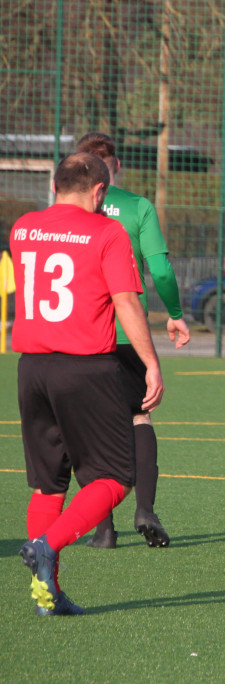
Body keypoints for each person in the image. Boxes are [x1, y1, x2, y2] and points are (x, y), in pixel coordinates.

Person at [11, 152, 164, 615]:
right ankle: (47, 546)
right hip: (85, 369)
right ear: (100, 191)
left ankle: (49, 594)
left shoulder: (23, 227)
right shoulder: (107, 231)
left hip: (32, 367)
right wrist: (150, 362)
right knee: (117, 477)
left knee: (47, 485)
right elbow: (126, 303)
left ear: (54, 186)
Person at [73, 132, 190, 549]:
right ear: (114, 166)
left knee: (89, 431)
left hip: (81, 334)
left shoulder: (65, 213)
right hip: (128, 333)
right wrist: (175, 314)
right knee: (140, 417)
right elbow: (159, 270)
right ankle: (146, 509)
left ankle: (103, 529)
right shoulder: (138, 206)